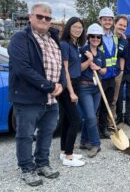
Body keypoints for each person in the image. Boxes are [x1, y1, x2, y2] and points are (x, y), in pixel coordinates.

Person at [8, 3, 65, 186]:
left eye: (47, 18)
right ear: (30, 17)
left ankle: (42, 163)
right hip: (28, 98)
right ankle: (27, 168)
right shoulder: (20, 38)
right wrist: (49, 86)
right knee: (25, 135)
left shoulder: (53, 38)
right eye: (39, 16)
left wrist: (61, 85)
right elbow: (23, 69)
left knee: (47, 133)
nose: (43, 20)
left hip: (51, 98)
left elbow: (59, 66)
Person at [58, 17, 86, 167]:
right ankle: (69, 157)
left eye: (80, 27)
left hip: (74, 83)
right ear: (69, 28)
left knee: (68, 120)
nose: (78, 29)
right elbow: (65, 70)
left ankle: (64, 151)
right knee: (75, 120)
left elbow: (77, 68)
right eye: (75, 27)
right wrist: (71, 92)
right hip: (67, 86)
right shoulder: (64, 45)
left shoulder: (75, 46)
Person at [78, 23, 107, 158]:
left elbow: (104, 70)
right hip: (84, 87)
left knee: (89, 116)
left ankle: (84, 141)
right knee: (90, 117)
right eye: (93, 36)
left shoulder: (101, 53)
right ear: (88, 37)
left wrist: (98, 68)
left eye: (98, 37)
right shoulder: (82, 51)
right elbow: (79, 69)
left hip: (97, 87)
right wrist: (89, 60)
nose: (96, 39)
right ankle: (96, 143)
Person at [97, 7, 118, 138]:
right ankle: (94, 130)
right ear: (100, 20)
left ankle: (103, 128)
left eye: (110, 19)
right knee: (97, 105)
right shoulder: (95, 35)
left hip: (111, 76)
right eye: (105, 19)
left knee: (107, 104)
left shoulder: (114, 37)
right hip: (99, 76)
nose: (108, 22)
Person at [111, 15, 128, 124]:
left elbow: (122, 57)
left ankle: (110, 122)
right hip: (103, 73)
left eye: (124, 26)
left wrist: (121, 71)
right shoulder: (106, 36)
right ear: (114, 23)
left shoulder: (124, 40)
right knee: (102, 99)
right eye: (120, 24)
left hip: (117, 73)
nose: (122, 27)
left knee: (114, 100)